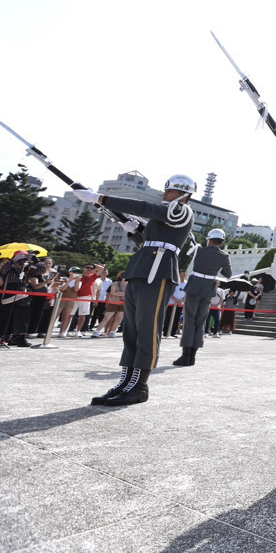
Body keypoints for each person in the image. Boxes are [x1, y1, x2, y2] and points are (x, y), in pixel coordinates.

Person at [73, 174, 196, 406]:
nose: (164, 194)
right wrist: (135, 229)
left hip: (158, 273)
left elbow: (145, 207)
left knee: (147, 330)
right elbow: (147, 239)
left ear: (183, 195)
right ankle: (126, 381)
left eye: (169, 191)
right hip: (140, 271)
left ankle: (139, 386)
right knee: (131, 330)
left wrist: (101, 198)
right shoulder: (163, 216)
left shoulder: (182, 211)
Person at [175, 229, 233, 366]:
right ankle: (192, 357)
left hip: (194, 287)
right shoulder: (224, 256)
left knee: (190, 320)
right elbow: (228, 274)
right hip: (208, 289)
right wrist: (217, 268)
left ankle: (185, 356)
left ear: (210, 240)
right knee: (200, 322)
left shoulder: (199, 250)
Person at [0, 251, 35, 347]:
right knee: (6, 316)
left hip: (22, 292)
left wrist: (33, 261)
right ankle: (4, 336)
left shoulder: (28, 267)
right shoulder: (9, 265)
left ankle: (21, 338)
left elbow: (39, 270)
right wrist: (14, 262)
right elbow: (3, 271)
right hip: (9, 290)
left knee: (22, 317)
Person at [26, 257, 56, 338]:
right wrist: (46, 282)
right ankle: (27, 331)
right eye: (46, 263)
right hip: (35, 297)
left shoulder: (51, 273)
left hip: (45, 296)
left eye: (50, 263)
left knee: (43, 314)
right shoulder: (35, 273)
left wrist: (50, 284)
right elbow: (35, 286)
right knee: (32, 314)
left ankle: (41, 331)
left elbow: (50, 285)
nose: (48, 265)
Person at [98, 272, 127, 337]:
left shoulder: (130, 285)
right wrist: (123, 293)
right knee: (107, 317)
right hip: (114, 302)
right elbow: (112, 293)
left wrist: (119, 293)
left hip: (123, 303)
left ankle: (112, 331)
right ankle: (99, 331)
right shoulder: (115, 284)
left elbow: (129, 294)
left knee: (118, 318)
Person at [88, 265, 112, 335]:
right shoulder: (97, 280)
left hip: (105, 299)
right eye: (103, 272)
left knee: (102, 314)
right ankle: (91, 326)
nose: (104, 273)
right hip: (97, 298)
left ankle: (100, 326)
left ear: (107, 273)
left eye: (105, 272)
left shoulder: (109, 281)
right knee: (95, 313)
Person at [163, 271, 188, 338]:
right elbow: (169, 291)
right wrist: (175, 299)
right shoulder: (175, 281)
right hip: (172, 302)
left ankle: (173, 332)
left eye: (185, 274)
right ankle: (166, 332)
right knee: (169, 317)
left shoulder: (187, 284)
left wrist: (182, 300)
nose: (183, 275)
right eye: (182, 274)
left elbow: (187, 294)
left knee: (177, 317)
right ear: (179, 274)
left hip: (180, 303)